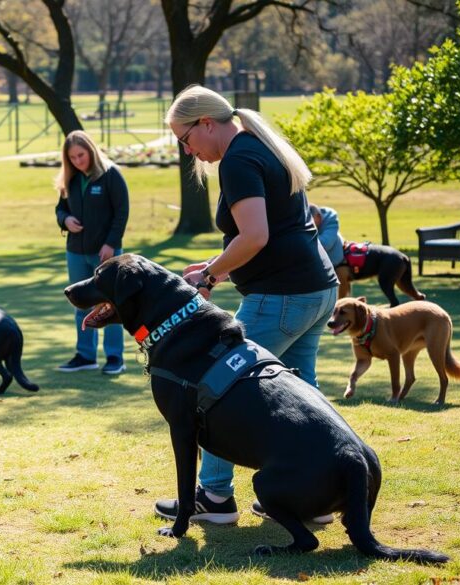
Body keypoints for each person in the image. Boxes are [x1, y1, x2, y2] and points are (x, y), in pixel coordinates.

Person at [153, 86, 339, 525]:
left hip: (282, 296)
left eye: (185, 138)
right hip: (315, 288)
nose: (187, 150)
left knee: (221, 388)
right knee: (302, 395)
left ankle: (215, 497)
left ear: (207, 123)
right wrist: (219, 264)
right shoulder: (260, 146)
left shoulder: (238, 159)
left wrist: (211, 275)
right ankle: (313, 493)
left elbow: (256, 237)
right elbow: (267, 233)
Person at [54, 130, 129, 375]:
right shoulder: (70, 180)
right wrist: (65, 220)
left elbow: (121, 212)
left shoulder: (111, 175)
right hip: (75, 252)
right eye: (72, 158)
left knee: (111, 305)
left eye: (81, 155)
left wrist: (110, 243)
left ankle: (115, 357)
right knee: (80, 304)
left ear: (91, 151)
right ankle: (85, 356)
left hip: (106, 254)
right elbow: (60, 209)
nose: (77, 161)